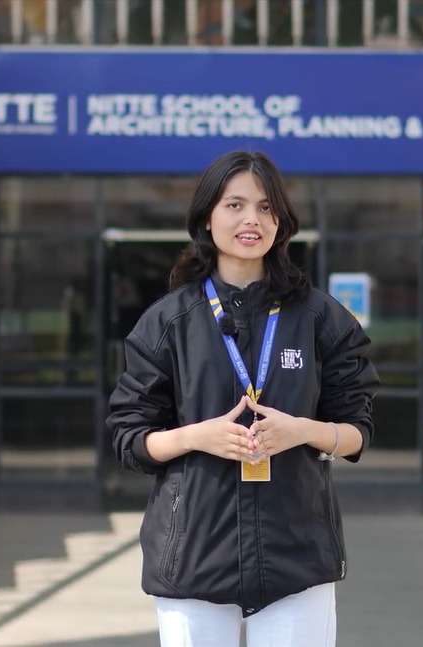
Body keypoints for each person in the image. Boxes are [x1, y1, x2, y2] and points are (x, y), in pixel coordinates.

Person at [107, 150, 380, 647]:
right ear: (207, 218)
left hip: (296, 560)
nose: (251, 219)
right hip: (193, 561)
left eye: (265, 206)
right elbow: (130, 438)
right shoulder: (168, 322)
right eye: (234, 205)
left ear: (281, 221)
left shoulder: (320, 319)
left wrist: (301, 430)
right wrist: (198, 436)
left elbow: (358, 432)